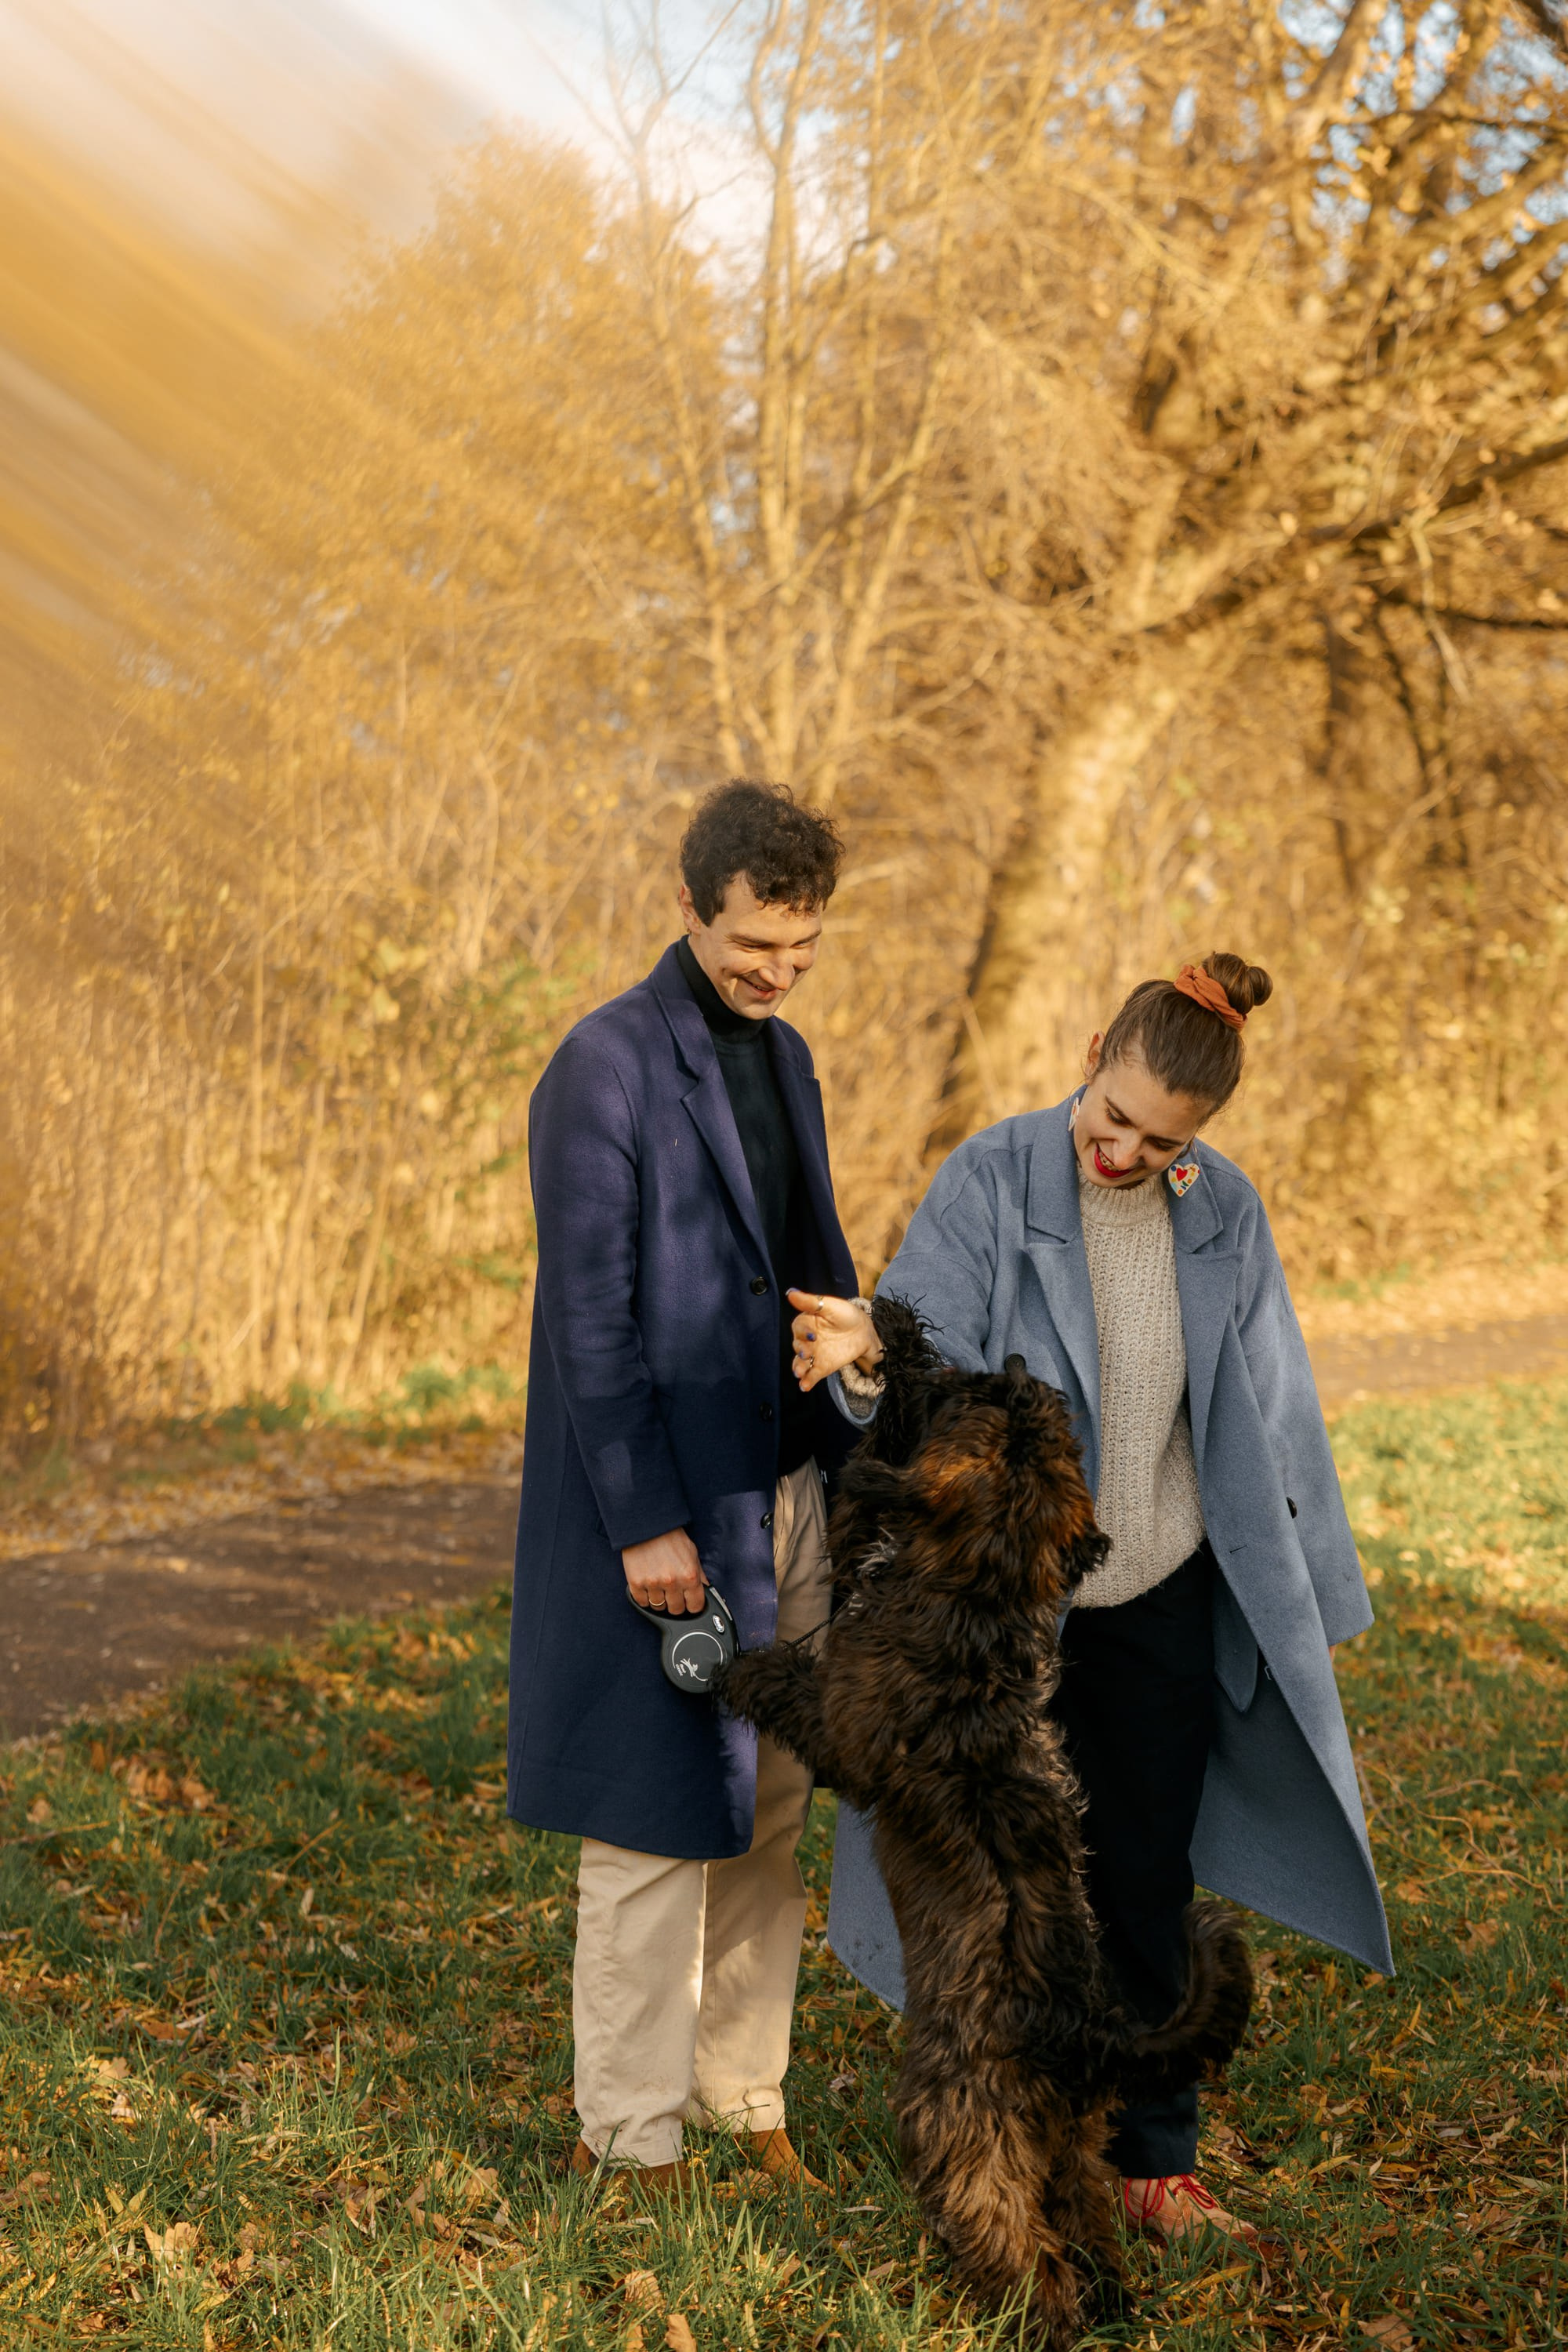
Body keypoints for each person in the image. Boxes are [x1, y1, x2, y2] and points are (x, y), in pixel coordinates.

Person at [794, 953, 1392, 2250]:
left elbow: (1272, 1404)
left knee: (1142, 1875)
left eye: (1159, 1138)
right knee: (994, 1885)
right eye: (1111, 1116)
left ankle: (1152, 2159)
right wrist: (861, 1354)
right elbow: (920, 1342)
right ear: (1089, 1054)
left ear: (1202, 1135)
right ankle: (1005, 2132)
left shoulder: (1224, 1210)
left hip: (1158, 1595)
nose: (1121, 1152)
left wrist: (1317, 1594)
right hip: (1003, 1613)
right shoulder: (993, 1175)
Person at [507, 780, 859, 2192]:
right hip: (669, 1513)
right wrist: (649, 1523)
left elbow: (808, 1262)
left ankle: (743, 2098)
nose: (774, 972)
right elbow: (589, 1318)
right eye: (750, 947)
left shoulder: (788, 1057)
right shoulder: (601, 1066)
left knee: (770, 1814)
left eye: (800, 948)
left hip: (787, 1495)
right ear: (688, 907)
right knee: (654, 1827)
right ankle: (629, 2135)